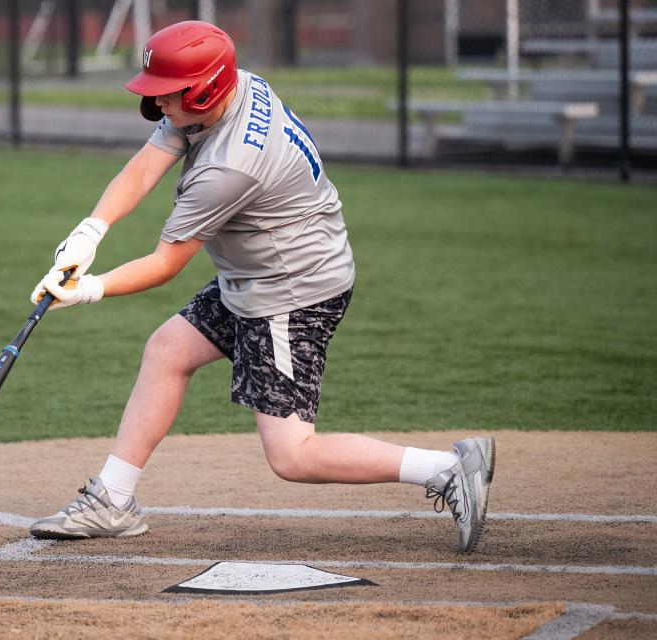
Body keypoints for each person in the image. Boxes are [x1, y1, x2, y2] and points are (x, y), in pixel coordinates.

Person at [27, 21, 495, 553]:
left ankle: (448, 469)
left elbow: (164, 263)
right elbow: (145, 166)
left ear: (202, 90)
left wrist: (89, 289)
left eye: (165, 94)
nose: (157, 105)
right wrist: (91, 231)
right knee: (167, 350)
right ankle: (113, 499)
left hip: (291, 292)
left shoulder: (230, 168)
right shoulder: (232, 85)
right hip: (258, 273)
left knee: (292, 455)